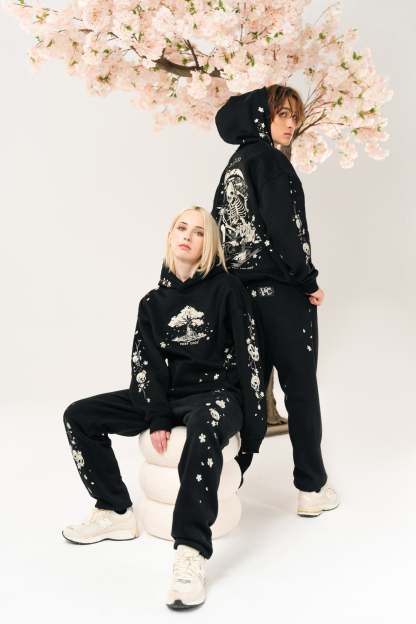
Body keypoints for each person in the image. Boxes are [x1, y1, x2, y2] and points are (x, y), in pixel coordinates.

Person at [62, 206, 267, 609]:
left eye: (199, 232)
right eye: (181, 228)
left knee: (203, 425)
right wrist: (157, 415)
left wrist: (250, 434)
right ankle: (115, 510)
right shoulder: (152, 302)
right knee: (80, 416)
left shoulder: (227, 290)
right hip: (166, 395)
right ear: (171, 236)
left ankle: (190, 550)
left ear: (210, 244)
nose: (188, 236)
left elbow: (250, 357)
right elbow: (146, 366)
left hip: (216, 395)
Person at [211, 84, 339, 517]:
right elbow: (286, 229)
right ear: (260, 117)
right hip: (282, 297)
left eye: (294, 116)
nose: (291, 123)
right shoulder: (271, 162)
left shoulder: (234, 166)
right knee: (300, 389)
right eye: (281, 113)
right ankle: (311, 488)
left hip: (242, 300)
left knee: (248, 393)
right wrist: (308, 280)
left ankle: (223, 486)